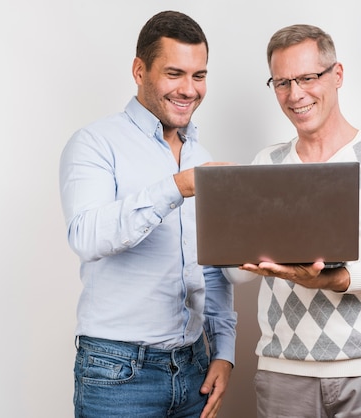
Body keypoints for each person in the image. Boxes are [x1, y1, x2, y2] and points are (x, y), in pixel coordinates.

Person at [224, 24, 361, 418]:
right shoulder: (266, 165)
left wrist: (333, 279)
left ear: (337, 75)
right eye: (282, 82)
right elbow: (240, 276)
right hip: (283, 372)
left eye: (307, 78)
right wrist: (230, 243)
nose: (295, 94)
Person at [59, 11, 236, 418]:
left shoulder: (200, 156)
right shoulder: (95, 144)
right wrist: (176, 187)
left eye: (199, 75)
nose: (189, 90)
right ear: (140, 70)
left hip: (193, 368)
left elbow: (211, 268)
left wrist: (224, 353)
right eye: (175, 73)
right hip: (117, 373)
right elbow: (86, 236)